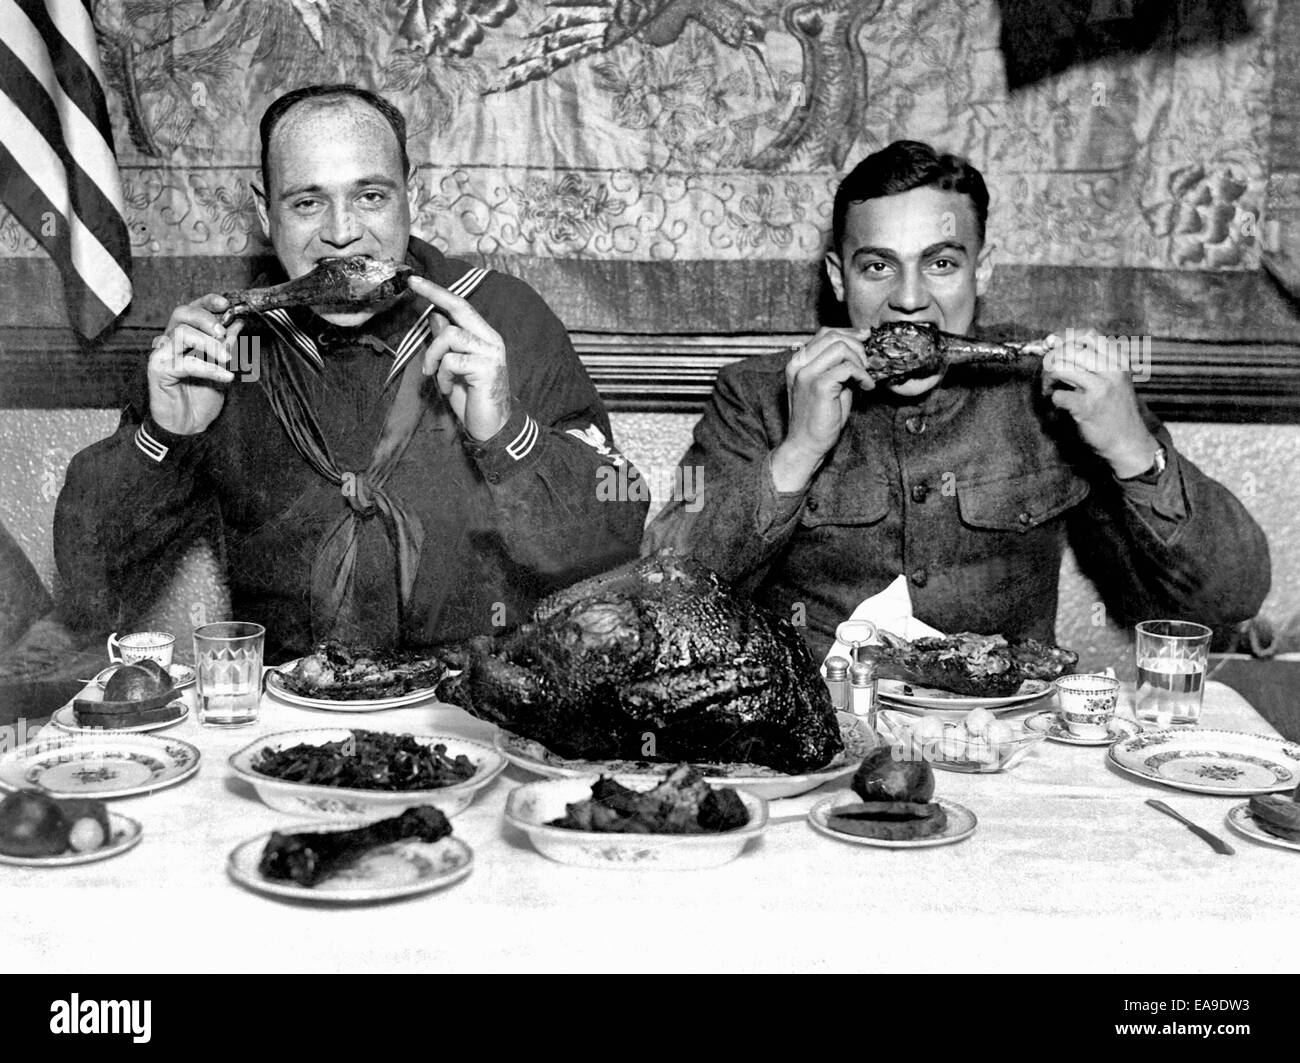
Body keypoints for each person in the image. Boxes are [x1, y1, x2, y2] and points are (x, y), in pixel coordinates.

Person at [55, 83, 647, 661]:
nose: (342, 234)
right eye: (307, 202)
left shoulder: (503, 319)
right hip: (290, 714)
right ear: (265, 212)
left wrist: (507, 437)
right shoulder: (219, 347)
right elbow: (89, 581)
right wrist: (165, 439)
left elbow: (610, 542)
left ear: (411, 195)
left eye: (371, 196)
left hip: (482, 697)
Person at [644, 140, 1270, 659]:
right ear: (838, 278)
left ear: (983, 270)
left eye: (941, 263)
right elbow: (664, 596)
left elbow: (1224, 603)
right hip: (820, 734)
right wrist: (799, 450)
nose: (910, 299)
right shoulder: (755, 393)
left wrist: (1134, 450)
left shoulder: (1052, 390)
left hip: (1005, 740)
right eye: (877, 267)